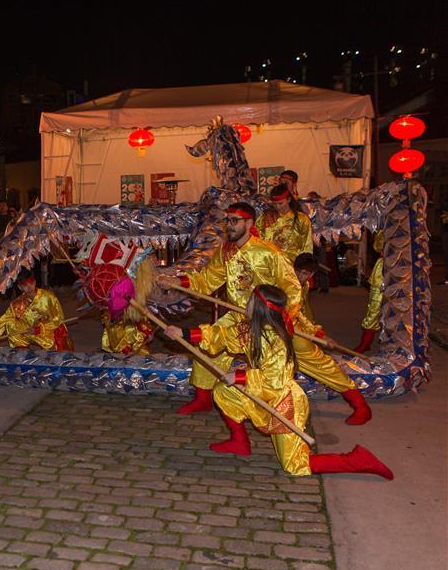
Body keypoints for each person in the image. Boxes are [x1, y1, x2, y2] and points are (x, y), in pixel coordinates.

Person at [157, 202, 371, 425]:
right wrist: (177, 281)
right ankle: (203, 398)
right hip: (239, 316)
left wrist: (283, 316)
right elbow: (207, 280)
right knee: (209, 345)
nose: (228, 226)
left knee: (312, 359)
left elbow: (292, 287)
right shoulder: (225, 251)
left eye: (233, 221)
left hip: (272, 318)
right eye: (226, 220)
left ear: (249, 223)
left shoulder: (269, 252)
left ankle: (359, 403)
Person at [164, 284, 392, 479]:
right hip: (261, 394)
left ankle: (357, 460)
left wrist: (241, 376)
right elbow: (221, 336)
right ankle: (239, 442)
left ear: (260, 307)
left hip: (283, 404)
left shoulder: (276, 341)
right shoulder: (249, 328)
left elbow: (274, 380)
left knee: (295, 466)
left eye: (251, 299)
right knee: (224, 392)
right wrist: (183, 333)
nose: (246, 302)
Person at [0, 271, 73, 350]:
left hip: (47, 330)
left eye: (31, 283)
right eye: (25, 285)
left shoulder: (48, 297)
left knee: (57, 344)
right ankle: (22, 349)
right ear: (20, 287)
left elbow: (58, 318)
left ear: (34, 282)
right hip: (29, 331)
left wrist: (40, 329)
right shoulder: (17, 303)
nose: (29, 287)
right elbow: (3, 319)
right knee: (11, 323)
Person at [256, 183, 313, 264]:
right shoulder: (266, 217)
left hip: (291, 264)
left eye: (280, 203)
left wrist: (304, 265)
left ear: (288, 199)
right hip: (268, 263)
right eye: (275, 204)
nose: (278, 207)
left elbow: (307, 245)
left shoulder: (301, 219)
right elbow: (257, 238)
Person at [355, 231, 384, 353]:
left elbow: (378, 246)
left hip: (394, 270)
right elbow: (378, 247)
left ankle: (366, 343)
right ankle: (365, 343)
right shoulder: (383, 228)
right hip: (383, 270)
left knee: (380, 309)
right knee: (374, 308)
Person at [293, 252, 319, 325]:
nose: (299, 276)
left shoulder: (306, 285)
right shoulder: (288, 285)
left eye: (304, 273)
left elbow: (306, 309)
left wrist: (312, 325)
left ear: (311, 274)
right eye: (297, 271)